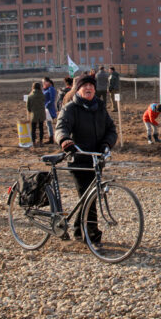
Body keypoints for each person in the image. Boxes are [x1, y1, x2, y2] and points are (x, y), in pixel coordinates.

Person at [55, 75, 117, 245]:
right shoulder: (70, 108)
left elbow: (111, 129)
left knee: (88, 197)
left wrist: (107, 143)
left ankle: (77, 230)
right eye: (85, 86)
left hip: (97, 159)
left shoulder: (100, 107)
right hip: (78, 159)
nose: (89, 88)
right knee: (88, 196)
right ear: (78, 89)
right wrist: (64, 140)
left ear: (95, 89)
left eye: (91, 85)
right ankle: (92, 235)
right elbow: (61, 128)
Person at [27, 82, 46, 148]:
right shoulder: (42, 95)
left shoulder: (30, 96)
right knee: (41, 128)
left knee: (33, 129)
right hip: (41, 114)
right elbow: (44, 102)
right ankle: (41, 142)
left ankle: (34, 142)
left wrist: (31, 111)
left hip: (34, 114)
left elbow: (28, 107)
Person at [42, 77, 57, 144]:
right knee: (48, 124)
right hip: (46, 108)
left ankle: (51, 138)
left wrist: (46, 105)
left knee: (49, 124)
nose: (43, 83)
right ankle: (51, 137)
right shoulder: (46, 89)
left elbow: (52, 100)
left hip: (49, 109)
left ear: (49, 82)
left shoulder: (51, 89)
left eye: (44, 82)